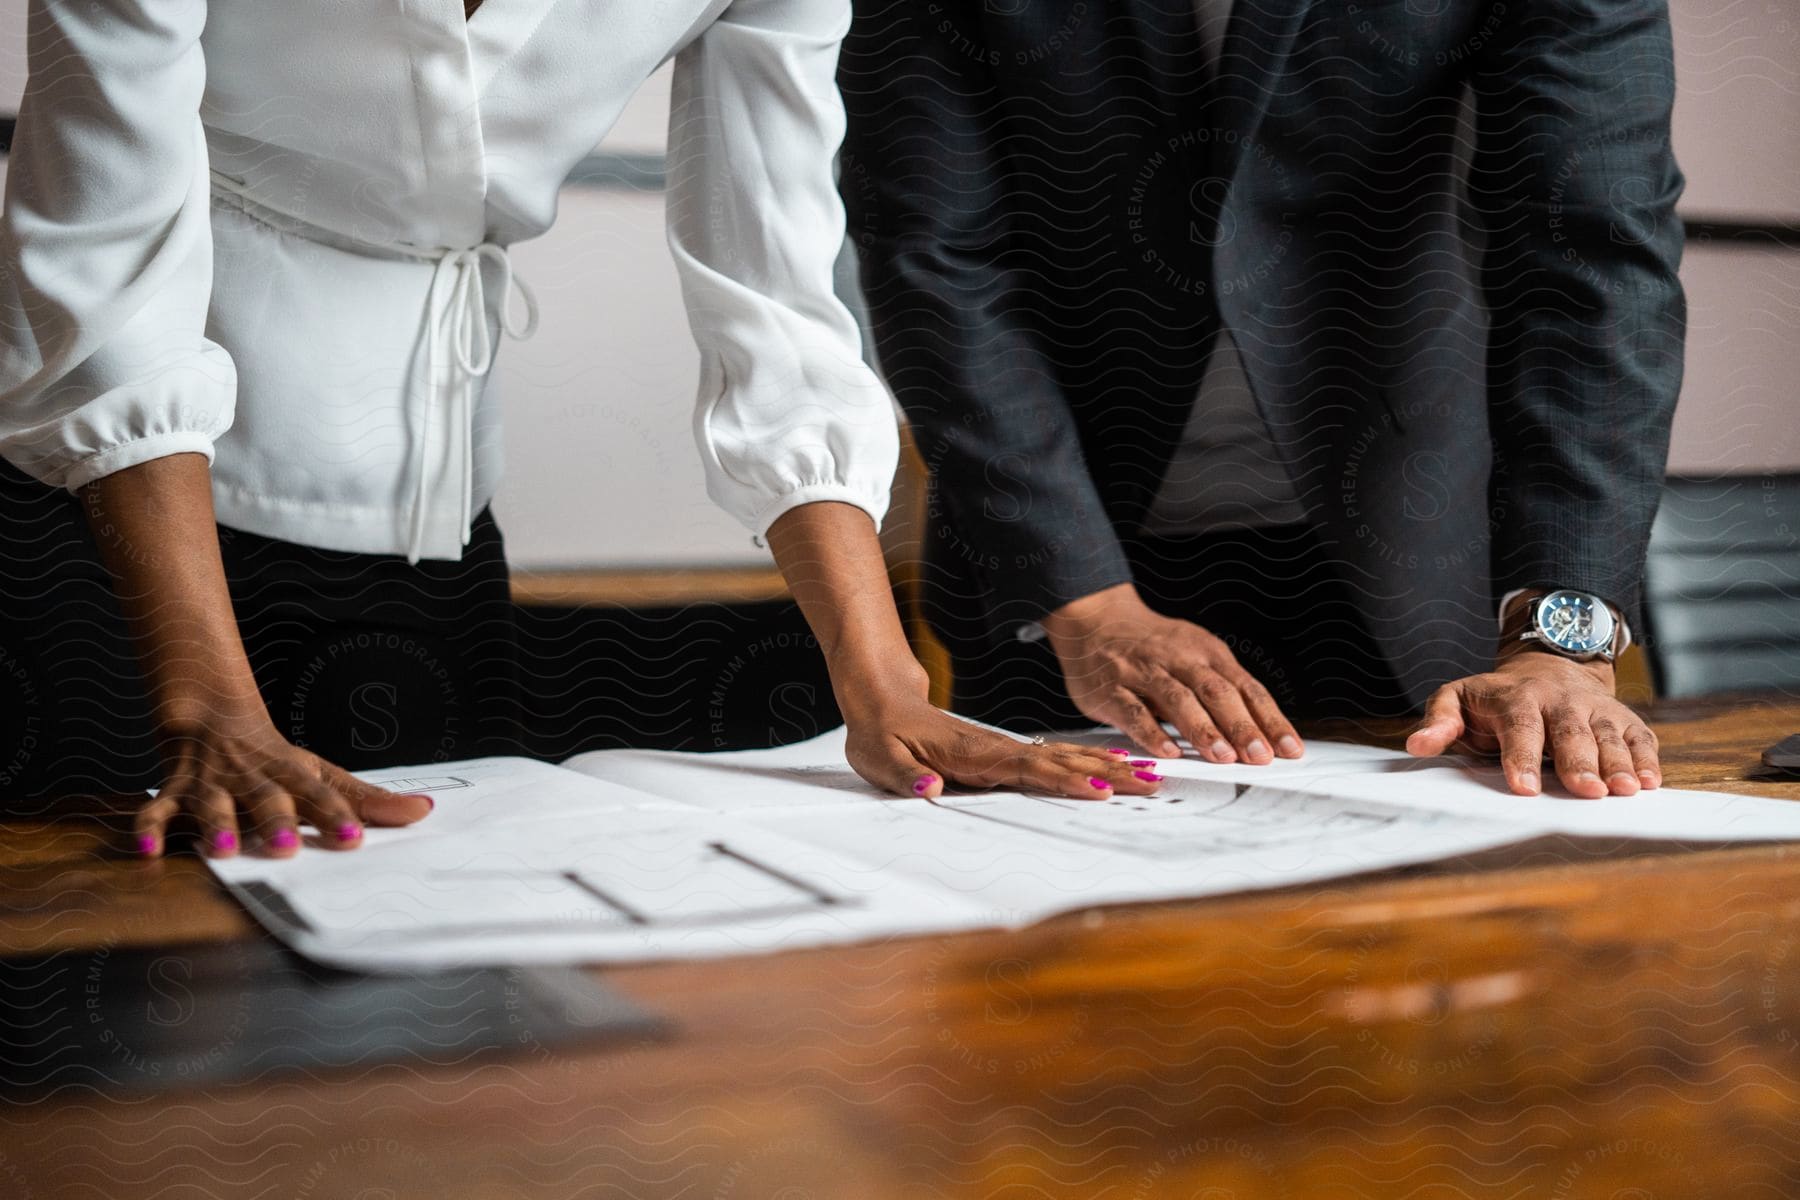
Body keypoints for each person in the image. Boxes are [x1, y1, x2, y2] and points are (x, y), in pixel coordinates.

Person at [0, 0, 1160, 857]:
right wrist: (205, 707)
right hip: (92, 509)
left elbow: (777, 302)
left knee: (416, 999)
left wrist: (885, 687)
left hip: (431, 512)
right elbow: (112, 265)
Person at [839, 0, 1684, 799]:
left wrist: (1559, 642)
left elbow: (1590, 250)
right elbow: (935, 255)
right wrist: (1084, 598)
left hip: (1417, 544)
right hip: (1063, 558)